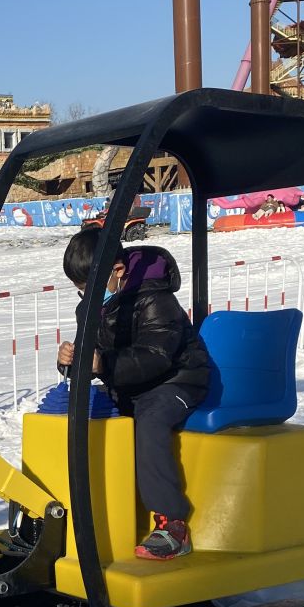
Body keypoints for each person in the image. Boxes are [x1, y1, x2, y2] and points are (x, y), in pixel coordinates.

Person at [57, 227, 209, 561]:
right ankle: (97, 507)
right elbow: (92, 356)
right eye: (78, 288)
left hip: (177, 380)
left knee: (150, 420)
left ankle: (173, 525)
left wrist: (103, 363)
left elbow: (157, 356)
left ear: (118, 271)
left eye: (87, 286)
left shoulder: (156, 299)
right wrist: (71, 362)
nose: (83, 294)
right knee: (86, 414)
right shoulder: (91, 308)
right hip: (130, 383)